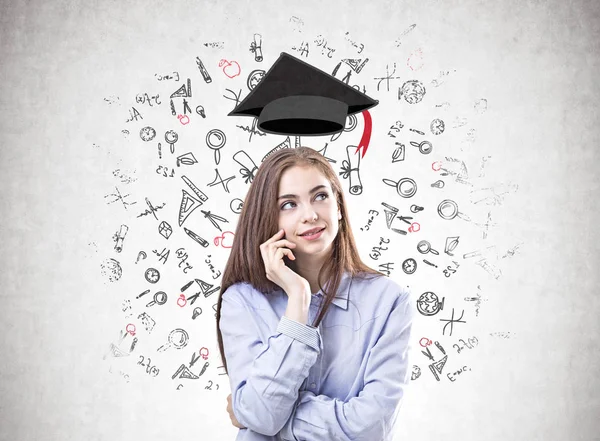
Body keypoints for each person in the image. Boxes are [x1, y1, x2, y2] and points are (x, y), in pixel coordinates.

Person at [215, 146, 415, 441]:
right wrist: (298, 298)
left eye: (320, 196)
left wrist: (265, 416)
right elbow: (261, 416)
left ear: (338, 206)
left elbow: (371, 429)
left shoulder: (389, 301)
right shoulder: (242, 301)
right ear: (267, 219)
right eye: (288, 205)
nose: (309, 215)